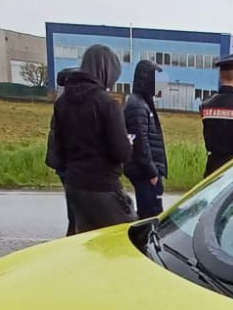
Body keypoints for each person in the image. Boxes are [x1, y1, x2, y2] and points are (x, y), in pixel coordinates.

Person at [44, 45, 133, 233]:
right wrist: (128, 142)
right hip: (104, 187)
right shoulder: (107, 104)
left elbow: (58, 146)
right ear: (106, 71)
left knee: (83, 240)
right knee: (123, 239)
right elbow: (122, 152)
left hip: (74, 186)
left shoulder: (62, 102)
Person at [122, 59, 168, 219]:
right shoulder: (136, 105)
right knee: (149, 215)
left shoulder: (144, 103)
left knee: (153, 212)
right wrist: (152, 172)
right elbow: (140, 143)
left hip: (148, 173)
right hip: (145, 174)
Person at [46, 68, 74, 233]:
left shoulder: (62, 101)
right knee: (76, 211)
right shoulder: (67, 103)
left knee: (73, 208)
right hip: (67, 164)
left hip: (62, 163)